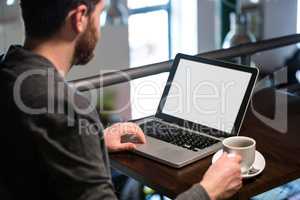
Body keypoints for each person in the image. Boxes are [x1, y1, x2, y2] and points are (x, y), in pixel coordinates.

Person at [0, 0, 242, 200]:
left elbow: (27, 156)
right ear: (80, 18)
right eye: (101, 15)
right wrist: (208, 191)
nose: (100, 28)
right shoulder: (67, 107)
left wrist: (94, 142)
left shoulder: (8, 70)